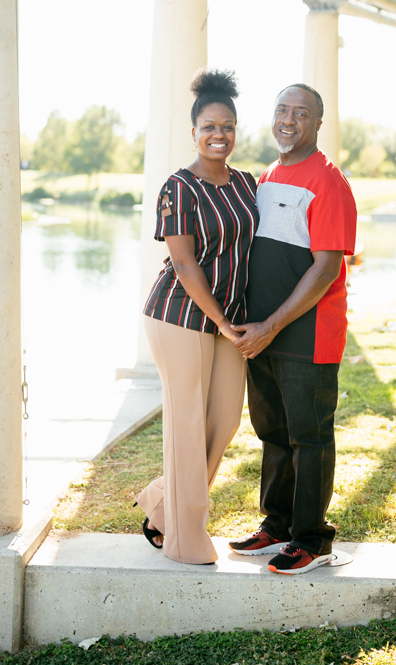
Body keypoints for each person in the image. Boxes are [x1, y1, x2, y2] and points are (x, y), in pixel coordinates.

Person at [229, 83, 357, 575]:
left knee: (309, 436)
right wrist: (253, 326)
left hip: (307, 335)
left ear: (318, 123)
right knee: (274, 432)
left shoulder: (329, 182)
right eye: (282, 110)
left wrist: (272, 325)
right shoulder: (269, 175)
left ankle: (312, 539)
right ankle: (277, 525)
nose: (288, 119)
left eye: (300, 113)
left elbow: (325, 269)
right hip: (261, 333)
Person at [136, 70, 259, 565]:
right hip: (180, 316)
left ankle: (161, 507)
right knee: (187, 424)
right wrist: (223, 321)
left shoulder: (248, 183)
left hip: (231, 321)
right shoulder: (178, 187)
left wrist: (241, 321)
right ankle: (186, 540)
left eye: (227, 126)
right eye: (210, 126)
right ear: (194, 132)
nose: (219, 135)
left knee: (224, 419)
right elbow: (184, 264)